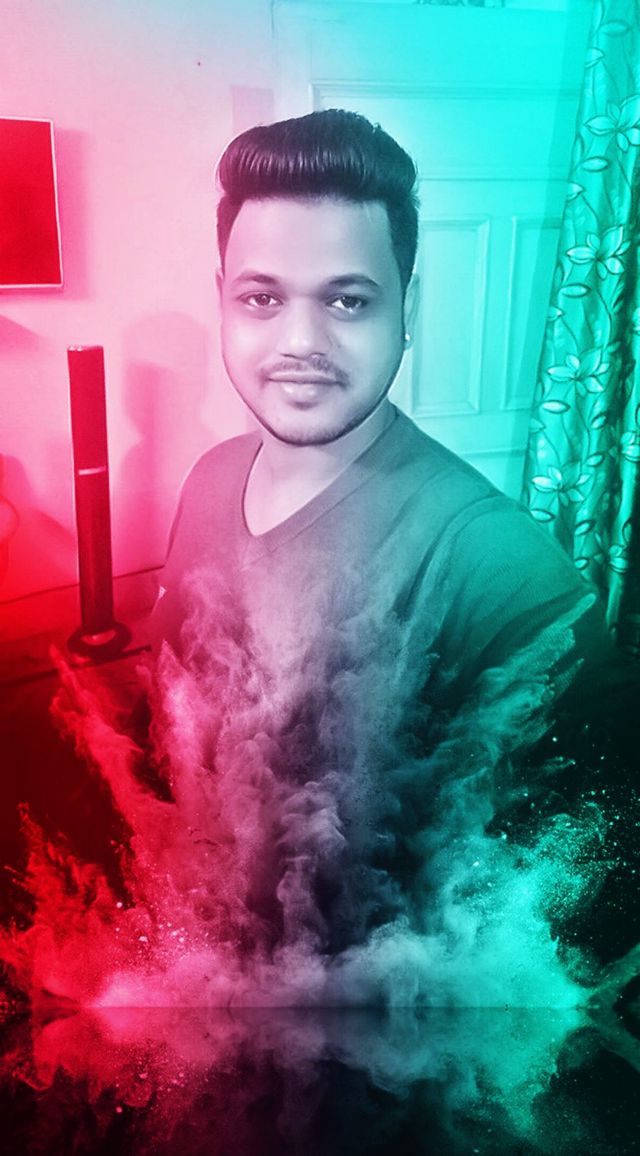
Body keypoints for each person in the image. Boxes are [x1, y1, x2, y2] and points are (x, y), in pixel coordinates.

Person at [149, 109, 622, 962]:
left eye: (348, 299)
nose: (301, 342)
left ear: (407, 306)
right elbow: (178, 721)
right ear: (222, 298)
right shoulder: (209, 478)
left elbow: (580, 936)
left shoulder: (505, 579)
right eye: (262, 298)